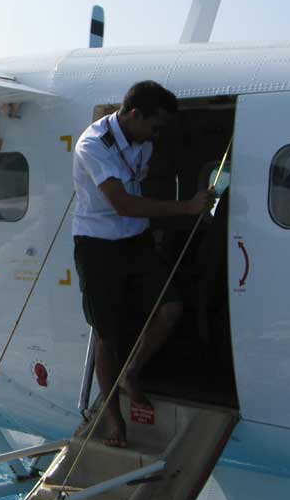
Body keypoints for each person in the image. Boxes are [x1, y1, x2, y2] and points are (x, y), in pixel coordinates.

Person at [72, 81, 212, 447]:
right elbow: (123, 203)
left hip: (134, 238)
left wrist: (157, 230)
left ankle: (130, 373)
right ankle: (112, 419)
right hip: (98, 244)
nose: (157, 134)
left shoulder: (144, 142)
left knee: (171, 307)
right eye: (154, 125)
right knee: (107, 335)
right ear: (135, 115)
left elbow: (141, 189)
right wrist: (186, 208)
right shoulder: (93, 145)